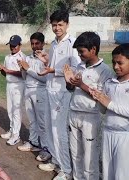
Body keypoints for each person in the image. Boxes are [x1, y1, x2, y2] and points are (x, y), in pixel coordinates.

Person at [36, 10, 81, 179]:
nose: (57, 28)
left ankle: (66, 170)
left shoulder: (72, 43)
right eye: (54, 25)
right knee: (49, 127)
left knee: (59, 131)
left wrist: (53, 70)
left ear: (67, 24)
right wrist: (47, 61)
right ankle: (55, 161)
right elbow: (52, 67)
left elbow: (76, 69)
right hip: (50, 89)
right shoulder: (54, 44)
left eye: (60, 24)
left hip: (63, 92)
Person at [64, 32, 114, 180]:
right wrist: (69, 83)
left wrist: (81, 84)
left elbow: (102, 97)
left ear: (93, 49)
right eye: (78, 52)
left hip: (91, 116)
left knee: (90, 156)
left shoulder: (104, 71)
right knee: (75, 153)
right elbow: (72, 89)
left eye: (82, 51)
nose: (79, 55)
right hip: (74, 112)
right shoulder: (79, 66)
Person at [89, 43, 129, 180]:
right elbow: (104, 110)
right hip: (107, 132)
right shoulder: (110, 82)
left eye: (120, 63)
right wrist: (99, 99)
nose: (116, 66)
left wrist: (109, 103)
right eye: (113, 62)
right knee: (107, 173)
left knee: (122, 174)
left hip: (124, 135)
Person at [17, 32, 50, 160]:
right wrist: (23, 69)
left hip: (40, 92)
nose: (35, 46)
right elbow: (25, 77)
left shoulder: (46, 58)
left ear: (42, 43)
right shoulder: (28, 57)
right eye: (32, 44)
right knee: (32, 121)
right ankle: (33, 142)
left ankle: (46, 148)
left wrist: (29, 69)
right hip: (28, 90)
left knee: (42, 122)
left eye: (37, 43)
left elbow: (45, 79)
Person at [0, 35, 26, 146]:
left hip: (19, 86)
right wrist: (2, 70)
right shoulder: (7, 57)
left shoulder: (23, 57)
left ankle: (16, 135)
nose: (12, 47)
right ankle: (12, 130)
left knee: (16, 111)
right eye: (11, 45)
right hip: (9, 84)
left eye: (15, 45)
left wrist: (7, 70)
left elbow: (23, 74)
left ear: (20, 45)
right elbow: (5, 73)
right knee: (10, 109)